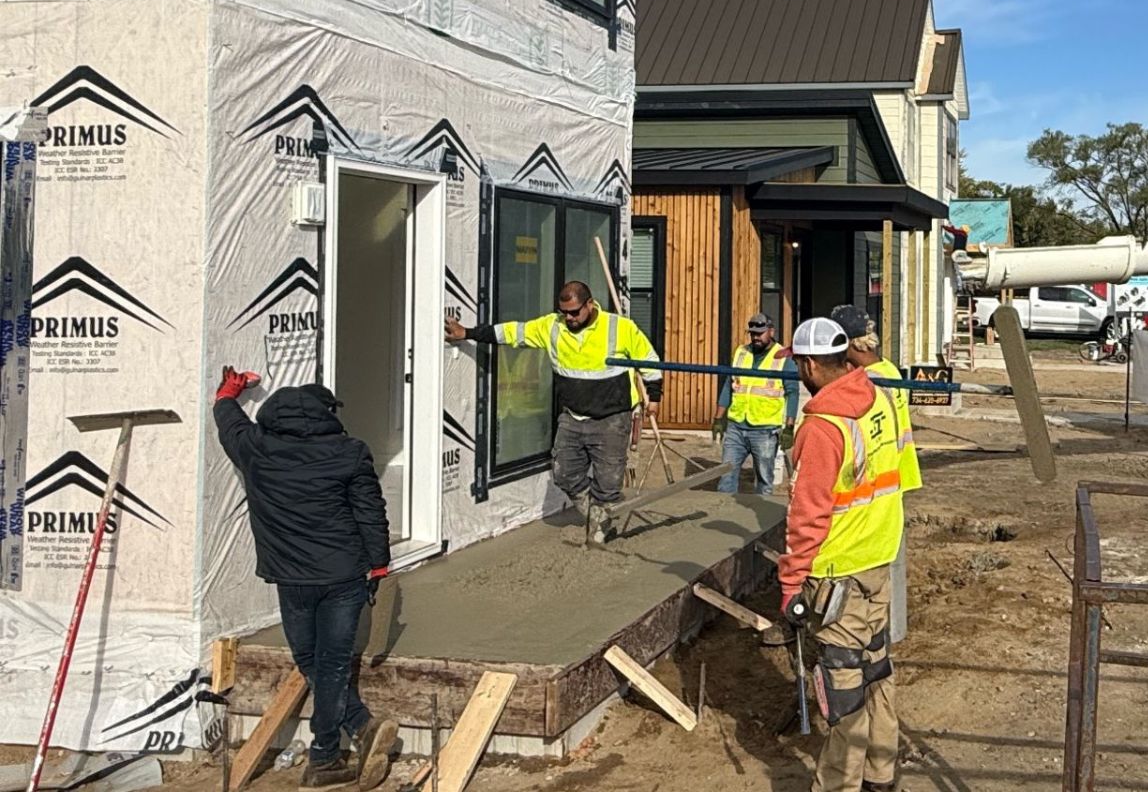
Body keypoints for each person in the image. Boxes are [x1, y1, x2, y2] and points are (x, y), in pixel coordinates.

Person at [212, 368, 399, 789]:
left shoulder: (255, 449)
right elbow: (371, 511)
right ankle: (327, 756)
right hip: (344, 575)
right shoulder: (350, 452)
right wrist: (380, 564)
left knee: (312, 660)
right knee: (328, 663)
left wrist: (229, 392)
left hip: (291, 579)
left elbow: (228, 420)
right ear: (326, 414)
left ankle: (361, 730)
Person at [779, 318, 905, 792]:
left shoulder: (822, 427)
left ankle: (839, 786)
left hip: (840, 576)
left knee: (844, 690)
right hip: (878, 562)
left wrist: (791, 583)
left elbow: (807, 515)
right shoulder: (879, 399)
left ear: (810, 364)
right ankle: (881, 776)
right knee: (877, 673)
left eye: (798, 365)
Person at [445, 281, 661, 543]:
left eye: (574, 312)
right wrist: (467, 332)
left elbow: (648, 360)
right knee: (563, 473)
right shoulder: (552, 326)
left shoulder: (619, 328)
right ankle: (599, 517)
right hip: (573, 416)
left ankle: (600, 530)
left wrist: (654, 397)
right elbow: (514, 332)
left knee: (608, 482)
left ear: (589, 305)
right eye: (564, 312)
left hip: (611, 419)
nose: (568, 318)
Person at [828, 304, 921, 495]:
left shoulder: (870, 383)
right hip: (896, 466)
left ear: (851, 343)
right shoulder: (887, 368)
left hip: (879, 472)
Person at [712, 311, 798, 494]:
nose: (756, 337)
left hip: (765, 430)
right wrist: (719, 418)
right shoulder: (741, 353)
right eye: (753, 333)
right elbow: (730, 385)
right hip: (736, 426)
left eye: (760, 333)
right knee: (726, 475)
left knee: (764, 480)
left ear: (771, 332)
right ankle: (723, 512)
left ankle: (762, 514)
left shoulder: (783, 358)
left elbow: (793, 393)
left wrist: (789, 428)